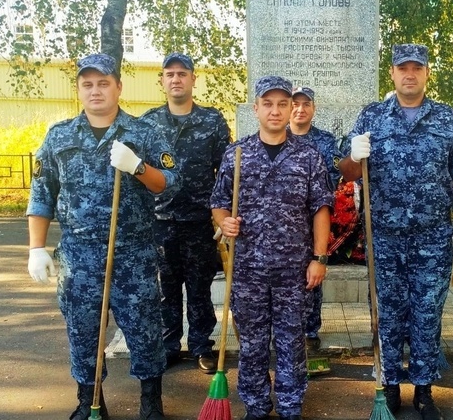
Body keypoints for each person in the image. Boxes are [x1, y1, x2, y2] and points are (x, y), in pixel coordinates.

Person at [26, 53, 180, 420]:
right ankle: (89, 399)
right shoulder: (59, 135)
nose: (95, 90)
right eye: (87, 84)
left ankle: (150, 400)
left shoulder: (143, 133)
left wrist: (138, 166)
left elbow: (171, 183)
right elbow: (42, 192)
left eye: (103, 83)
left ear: (118, 87)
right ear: (79, 89)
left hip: (133, 253)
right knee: (83, 331)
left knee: (144, 329)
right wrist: (36, 248)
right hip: (79, 257)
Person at [339, 43, 453, 420]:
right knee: (387, 313)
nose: (410, 74)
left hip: (433, 237)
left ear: (427, 73)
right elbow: (347, 172)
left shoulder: (447, 118)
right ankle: (389, 387)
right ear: (393, 73)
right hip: (384, 237)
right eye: (403, 68)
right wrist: (354, 154)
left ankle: (424, 390)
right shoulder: (372, 116)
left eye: (417, 68)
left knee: (427, 314)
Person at [210, 76, 333, 420]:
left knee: (292, 343)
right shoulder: (237, 155)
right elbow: (219, 203)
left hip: (294, 271)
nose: (276, 111)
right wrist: (224, 221)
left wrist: (319, 258)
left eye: (283, 104)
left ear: (291, 108)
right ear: (256, 108)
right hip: (248, 270)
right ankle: (257, 406)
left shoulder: (308, 157)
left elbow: (321, 209)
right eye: (268, 103)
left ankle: (291, 407)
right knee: (251, 345)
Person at [140, 53, 231, 374]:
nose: (176, 79)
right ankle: (168, 345)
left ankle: (201, 346)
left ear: (193, 79)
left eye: (182, 73)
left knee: (199, 288)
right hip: (159, 222)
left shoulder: (212, 121)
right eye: (170, 74)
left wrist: (224, 216)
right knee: (165, 288)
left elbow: (226, 172)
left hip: (199, 222)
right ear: (162, 81)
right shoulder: (148, 123)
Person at [288, 85, 342, 350]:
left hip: (314, 220)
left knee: (313, 275)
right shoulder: (275, 137)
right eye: (295, 103)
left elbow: (331, 182)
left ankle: (310, 330)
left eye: (306, 104)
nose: (300, 109)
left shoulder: (325, 141)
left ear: (313, 108)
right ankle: (286, 328)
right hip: (283, 222)